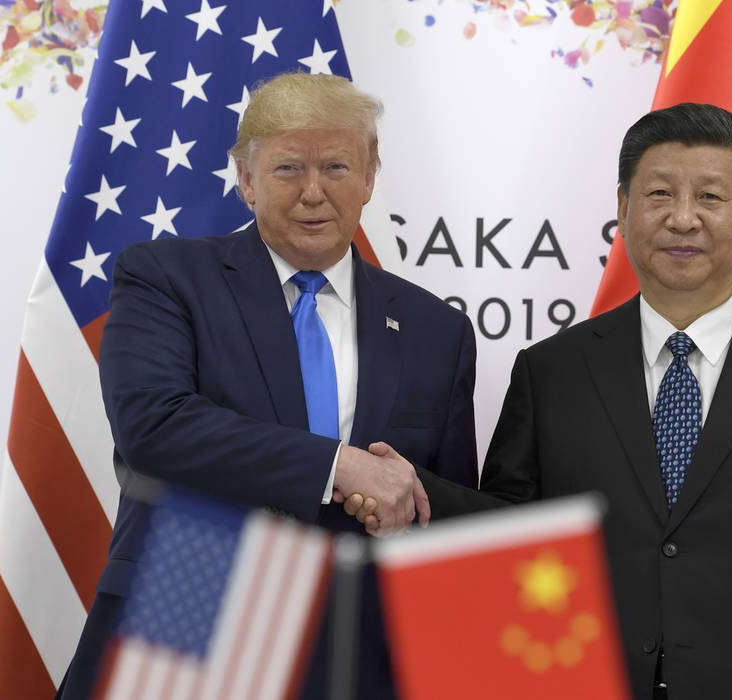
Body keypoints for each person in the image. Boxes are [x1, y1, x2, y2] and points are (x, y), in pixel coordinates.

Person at [353, 103, 732, 699]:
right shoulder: (553, 370)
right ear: (622, 210)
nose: (682, 218)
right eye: (658, 194)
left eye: (710, 197)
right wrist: (416, 492)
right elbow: (510, 537)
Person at [56, 72, 478, 699]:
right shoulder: (166, 278)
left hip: (359, 652)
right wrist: (343, 469)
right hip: (189, 624)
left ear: (369, 177)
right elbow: (154, 427)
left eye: (336, 166)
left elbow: (446, 512)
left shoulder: (435, 329)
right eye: (287, 169)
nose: (314, 192)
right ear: (246, 180)